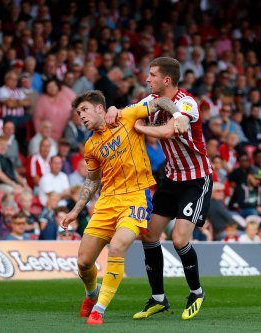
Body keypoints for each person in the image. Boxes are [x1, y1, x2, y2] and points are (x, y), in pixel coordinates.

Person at [106, 57, 212, 320]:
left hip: (196, 180)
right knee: (150, 235)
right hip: (171, 179)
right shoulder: (149, 102)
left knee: (178, 239)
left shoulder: (187, 103)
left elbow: (169, 131)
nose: (147, 79)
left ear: (166, 79)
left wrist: (139, 126)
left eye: (152, 75)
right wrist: (113, 109)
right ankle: (158, 298)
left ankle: (196, 292)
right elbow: (126, 112)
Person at [60, 90, 157, 325]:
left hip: (135, 198)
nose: (80, 116)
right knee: (83, 262)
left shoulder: (128, 116)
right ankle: (92, 294)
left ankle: (99, 310)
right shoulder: (91, 145)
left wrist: (180, 115)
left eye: (84, 110)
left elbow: (160, 102)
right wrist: (75, 210)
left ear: (100, 108)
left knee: (117, 247)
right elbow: (93, 179)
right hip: (106, 203)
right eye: (78, 113)